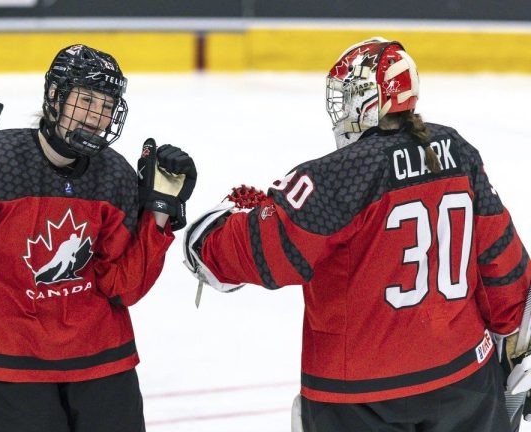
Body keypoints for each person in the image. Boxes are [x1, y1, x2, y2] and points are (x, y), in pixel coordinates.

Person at [183, 37, 531, 431]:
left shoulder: (341, 172)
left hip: (359, 397)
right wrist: (517, 342)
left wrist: (208, 242)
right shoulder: (458, 151)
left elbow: (272, 254)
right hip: (465, 380)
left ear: (367, 99)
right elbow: (500, 259)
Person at [0, 44, 196, 432]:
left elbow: (121, 288)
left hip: (101, 359)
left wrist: (158, 214)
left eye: (107, 104)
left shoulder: (115, 175)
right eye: (87, 99)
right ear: (55, 98)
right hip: (7, 362)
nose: (97, 116)